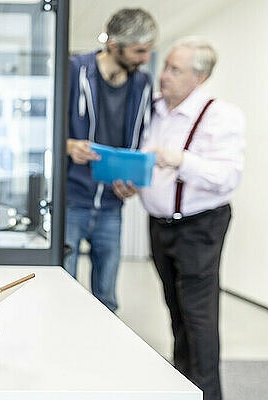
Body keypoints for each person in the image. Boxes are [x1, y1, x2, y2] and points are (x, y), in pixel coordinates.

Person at [138, 38, 245, 400]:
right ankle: (184, 387)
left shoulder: (221, 115)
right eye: (165, 65)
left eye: (175, 69)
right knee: (176, 309)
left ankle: (208, 394)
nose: (163, 75)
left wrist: (179, 159)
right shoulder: (154, 110)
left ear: (198, 78)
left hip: (199, 225)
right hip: (159, 225)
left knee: (198, 317)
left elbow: (227, 177)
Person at [65, 8, 157, 311]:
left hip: (112, 204)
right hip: (72, 200)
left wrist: (133, 178)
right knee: (63, 288)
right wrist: (67, 145)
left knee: (106, 298)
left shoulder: (142, 83)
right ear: (114, 46)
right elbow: (47, 129)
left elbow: (142, 136)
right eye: (139, 50)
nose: (145, 58)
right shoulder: (74, 71)